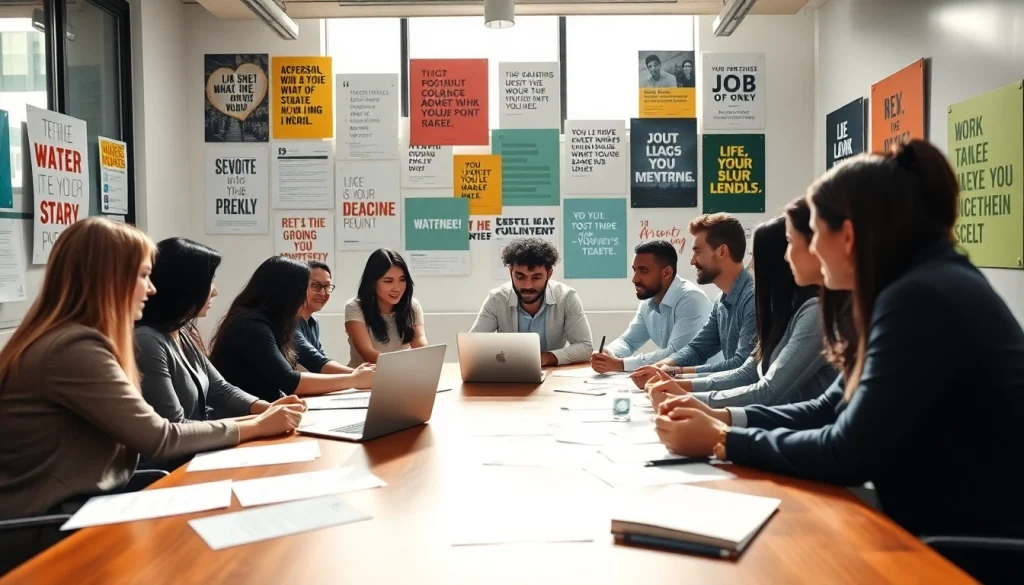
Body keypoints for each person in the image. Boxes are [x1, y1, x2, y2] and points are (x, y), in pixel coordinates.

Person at [652, 140, 1024, 550]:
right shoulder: (918, 283)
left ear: (846, 236)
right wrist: (720, 416)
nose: (809, 251)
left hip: (960, 545)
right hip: (932, 524)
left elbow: (848, 450)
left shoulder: (919, 297)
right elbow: (827, 409)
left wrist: (723, 439)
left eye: (814, 237)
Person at [0, 219, 304, 571]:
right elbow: (159, 436)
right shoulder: (73, 348)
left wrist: (260, 418)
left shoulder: (74, 339)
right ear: (111, 279)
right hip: (49, 526)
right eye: (143, 276)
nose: (151, 288)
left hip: (84, 506)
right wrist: (257, 425)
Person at [646, 209, 838, 410]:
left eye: (756, 257)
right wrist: (673, 380)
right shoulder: (782, 309)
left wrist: (682, 393)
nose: (752, 266)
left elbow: (767, 391)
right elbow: (747, 371)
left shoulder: (811, 312)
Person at [136, 238, 304, 427]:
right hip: (185, 454)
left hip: (201, 448)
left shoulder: (182, 332)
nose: (215, 291)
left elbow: (221, 389)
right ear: (186, 286)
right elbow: (175, 426)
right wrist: (259, 423)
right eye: (210, 281)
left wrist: (268, 409)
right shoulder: (148, 340)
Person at [211, 256, 374, 403]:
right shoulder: (250, 325)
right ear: (285, 293)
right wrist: (354, 379)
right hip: (244, 417)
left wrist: (355, 378)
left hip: (266, 410)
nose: (307, 298)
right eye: (306, 290)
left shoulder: (274, 323)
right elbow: (290, 381)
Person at [631, 213, 755, 386]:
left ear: (722, 251)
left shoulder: (752, 298)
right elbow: (697, 348)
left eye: (698, 251)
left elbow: (740, 365)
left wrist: (675, 374)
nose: (692, 261)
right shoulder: (721, 301)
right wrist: (662, 366)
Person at [591, 240, 711, 373]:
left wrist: (621, 364)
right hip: (675, 379)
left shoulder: (691, 299)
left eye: (643, 271)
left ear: (666, 273)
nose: (635, 279)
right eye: (635, 270)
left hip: (705, 382)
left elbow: (677, 355)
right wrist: (609, 353)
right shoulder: (648, 301)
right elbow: (628, 341)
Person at [470, 237, 593, 366]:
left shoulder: (566, 297)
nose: (528, 286)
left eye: (536, 277)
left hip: (552, 375)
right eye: (520, 276)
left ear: (549, 273)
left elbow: (585, 347)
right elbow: (473, 347)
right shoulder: (497, 299)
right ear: (511, 272)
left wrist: (544, 358)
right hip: (509, 373)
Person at [344, 249, 428, 367]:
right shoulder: (355, 307)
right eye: (388, 281)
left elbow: (420, 347)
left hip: (402, 377)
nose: (397, 288)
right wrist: (405, 366)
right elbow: (367, 353)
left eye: (402, 280)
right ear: (372, 282)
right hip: (363, 380)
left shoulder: (412, 306)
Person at [295, 260, 353, 374]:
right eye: (315, 285)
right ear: (300, 286)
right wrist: (358, 375)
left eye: (326, 286)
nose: (322, 293)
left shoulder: (313, 322)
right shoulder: (289, 323)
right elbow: (317, 362)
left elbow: (321, 358)